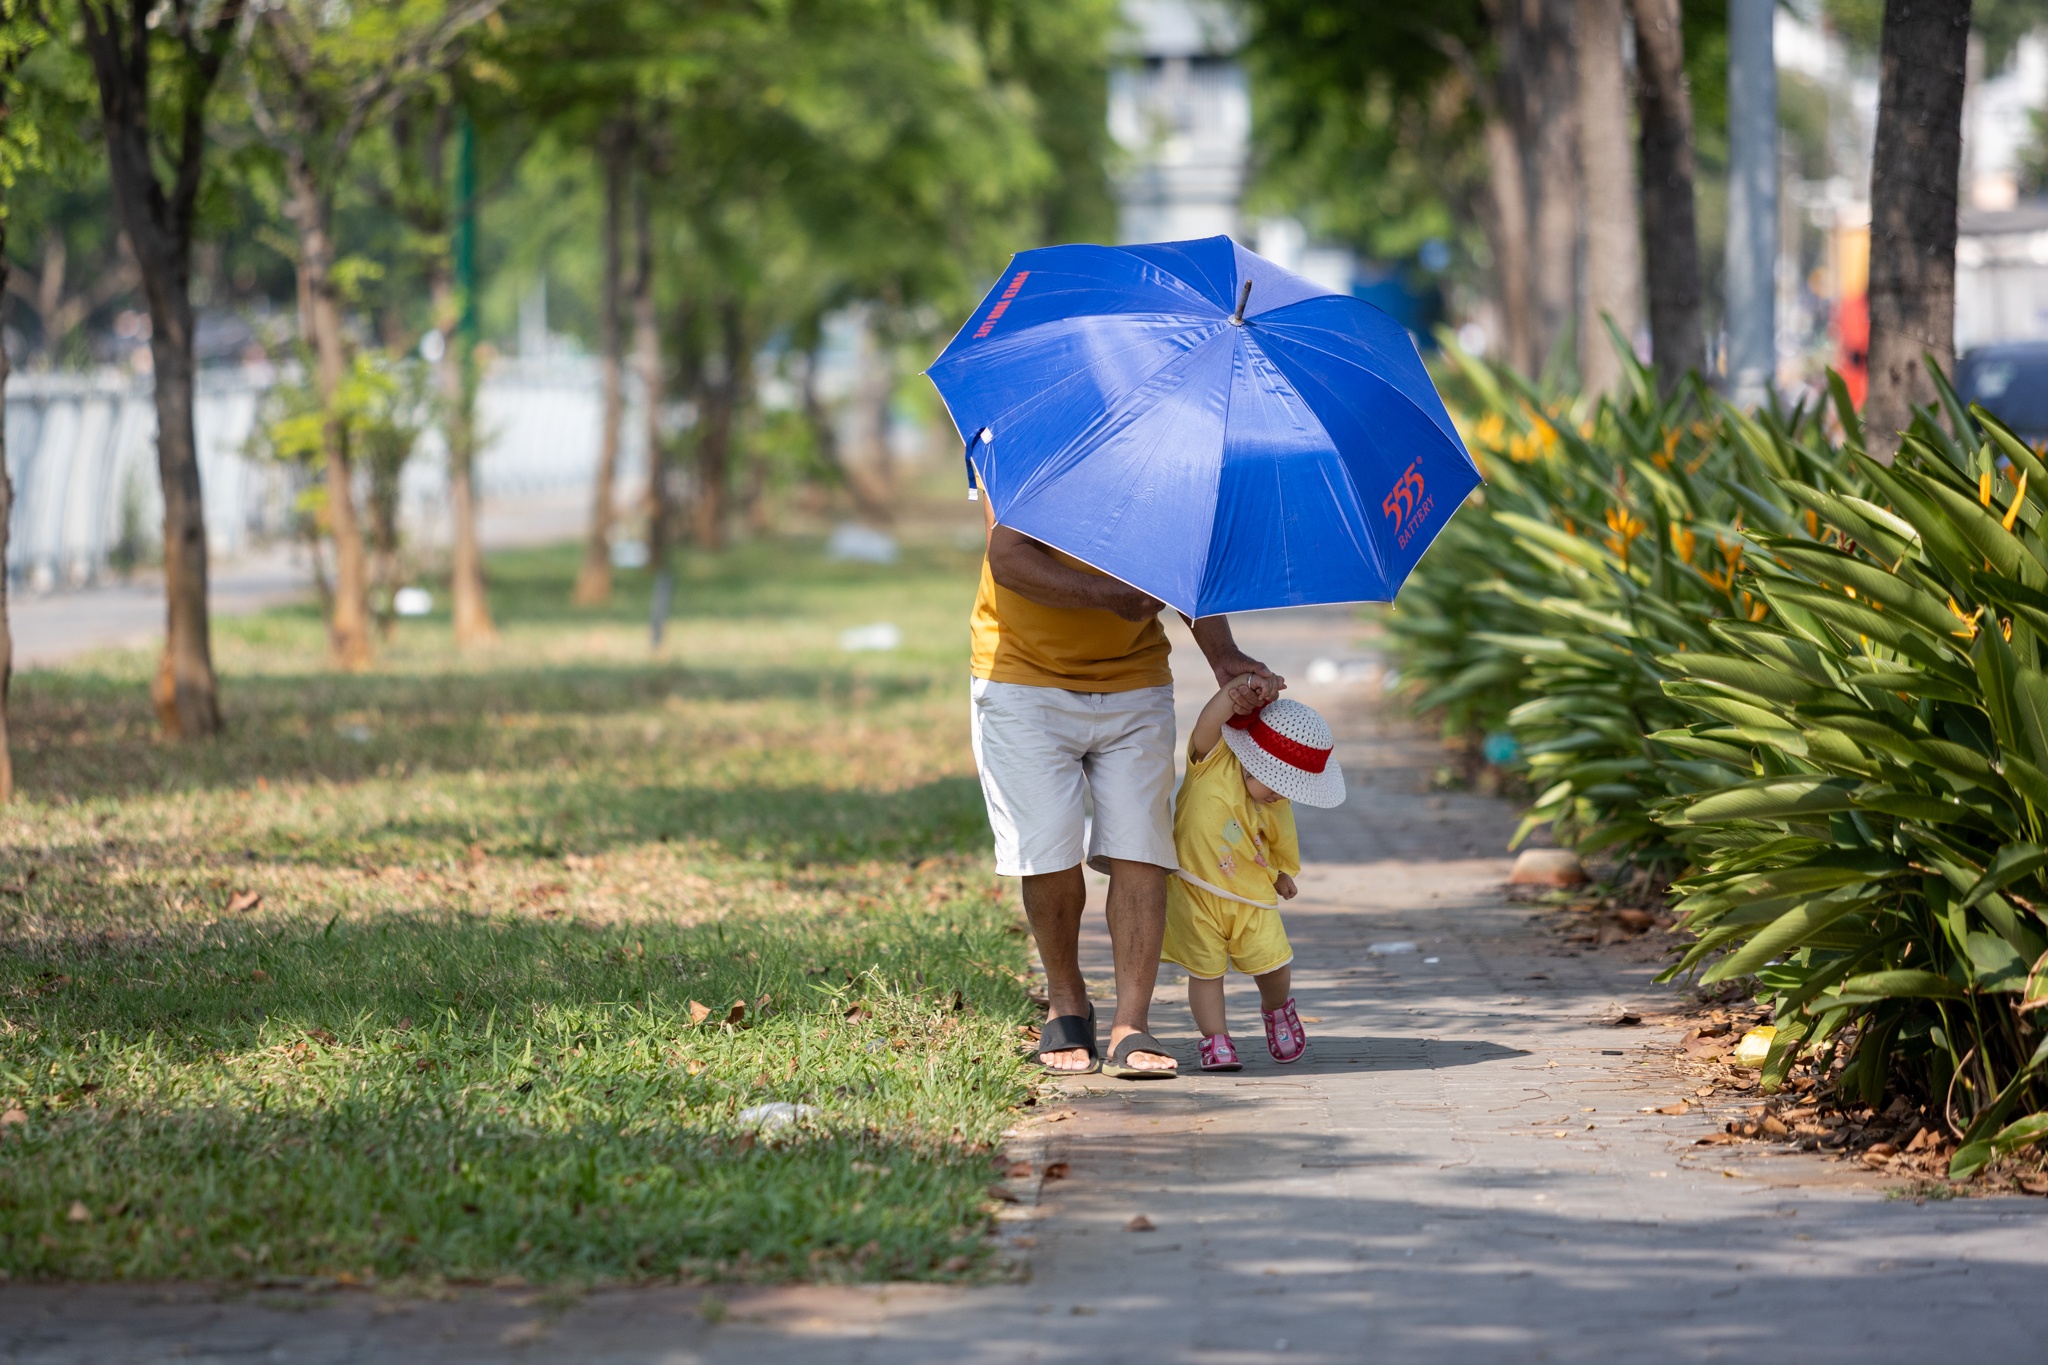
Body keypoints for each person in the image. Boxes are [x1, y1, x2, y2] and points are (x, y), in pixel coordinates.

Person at [971, 498, 1278, 1079]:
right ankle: (1067, 1005)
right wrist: (1111, 596)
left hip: (1134, 680)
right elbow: (1008, 559)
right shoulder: (1030, 437)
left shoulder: (1173, 457)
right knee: (1048, 849)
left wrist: (1223, 655)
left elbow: (1186, 567)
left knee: (1143, 846)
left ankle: (1131, 1023)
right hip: (1020, 677)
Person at [1160, 679, 1346, 1071]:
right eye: (1279, 784)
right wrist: (1238, 688)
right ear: (1253, 760)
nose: (1283, 795)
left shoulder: (1276, 805)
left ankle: (1277, 1009)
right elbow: (1210, 718)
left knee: (1273, 963)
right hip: (1196, 893)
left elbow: (1270, 846)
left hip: (1251, 897)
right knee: (1205, 971)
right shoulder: (1210, 761)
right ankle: (1216, 1039)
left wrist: (1279, 876)